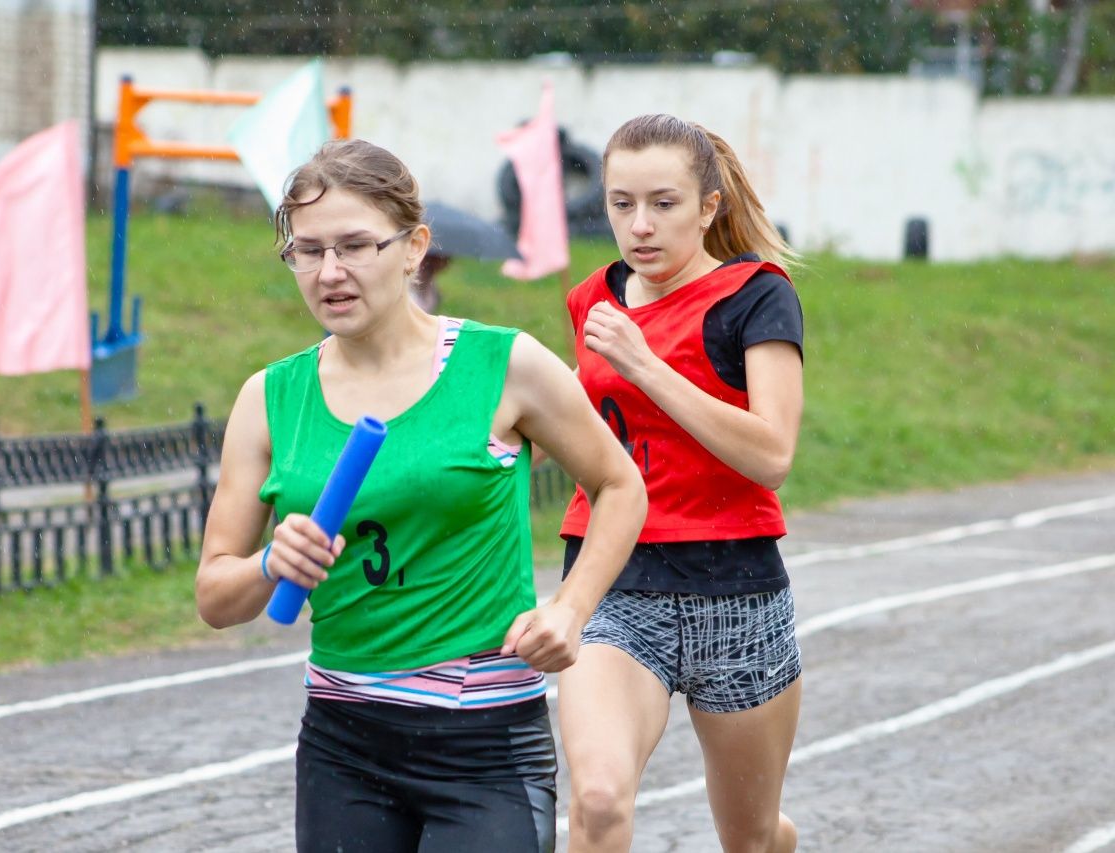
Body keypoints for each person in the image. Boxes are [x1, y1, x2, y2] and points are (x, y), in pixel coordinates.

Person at [194, 138, 646, 853]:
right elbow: (216, 595)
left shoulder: (504, 365)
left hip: (485, 741)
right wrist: (268, 566)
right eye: (307, 252)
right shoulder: (270, 398)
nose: (330, 272)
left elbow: (620, 483)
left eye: (355, 246)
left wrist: (571, 607)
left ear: (414, 247)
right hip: (344, 741)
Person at [556, 114, 805, 852]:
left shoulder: (757, 295)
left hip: (736, 590)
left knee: (750, 837)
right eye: (620, 203)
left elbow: (772, 454)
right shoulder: (592, 300)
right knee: (598, 800)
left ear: (708, 205)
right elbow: (578, 416)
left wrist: (646, 366)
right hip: (614, 581)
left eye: (663, 204)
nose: (639, 225)